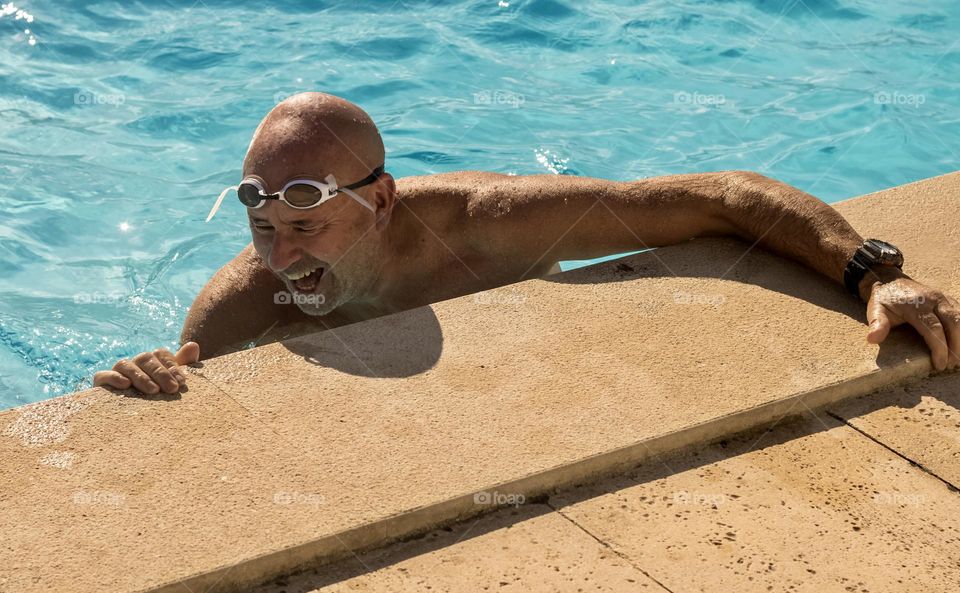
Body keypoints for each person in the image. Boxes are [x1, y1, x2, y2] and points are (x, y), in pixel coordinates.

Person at [93, 92, 960, 395]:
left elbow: (721, 196)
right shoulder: (245, 298)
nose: (278, 259)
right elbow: (186, 399)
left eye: (305, 230)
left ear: (383, 201)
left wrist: (874, 274)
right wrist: (147, 381)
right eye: (261, 230)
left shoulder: (494, 226)